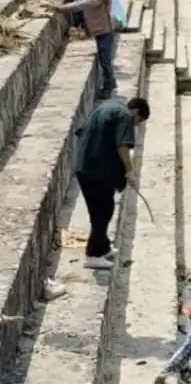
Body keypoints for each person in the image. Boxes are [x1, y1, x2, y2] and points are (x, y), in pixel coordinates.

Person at [73, 96, 151, 270]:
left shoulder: (109, 106)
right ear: (136, 111)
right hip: (95, 171)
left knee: (103, 208)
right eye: (138, 121)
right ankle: (93, 255)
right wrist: (130, 172)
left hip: (85, 166)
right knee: (102, 211)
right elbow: (123, 146)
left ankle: (103, 247)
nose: (136, 125)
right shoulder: (124, 116)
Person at [54, 0, 117, 99]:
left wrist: (62, 8)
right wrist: (63, 6)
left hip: (105, 32)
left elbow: (81, 5)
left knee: (105, 61)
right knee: (104, 60)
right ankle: (112, 83)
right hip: (99, 32)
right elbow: (78, 1)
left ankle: (107, 89)